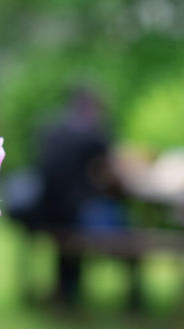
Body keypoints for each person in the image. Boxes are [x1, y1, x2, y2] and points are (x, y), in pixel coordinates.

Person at [28, 85, 124, 308]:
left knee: (79, 217)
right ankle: (134, 292)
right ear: (94, 107)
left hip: (45, 211)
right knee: (121, 221)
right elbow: (111, 175)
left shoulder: (52, 129)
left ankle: (65, 292)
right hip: (75, 215)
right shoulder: (95, 134)